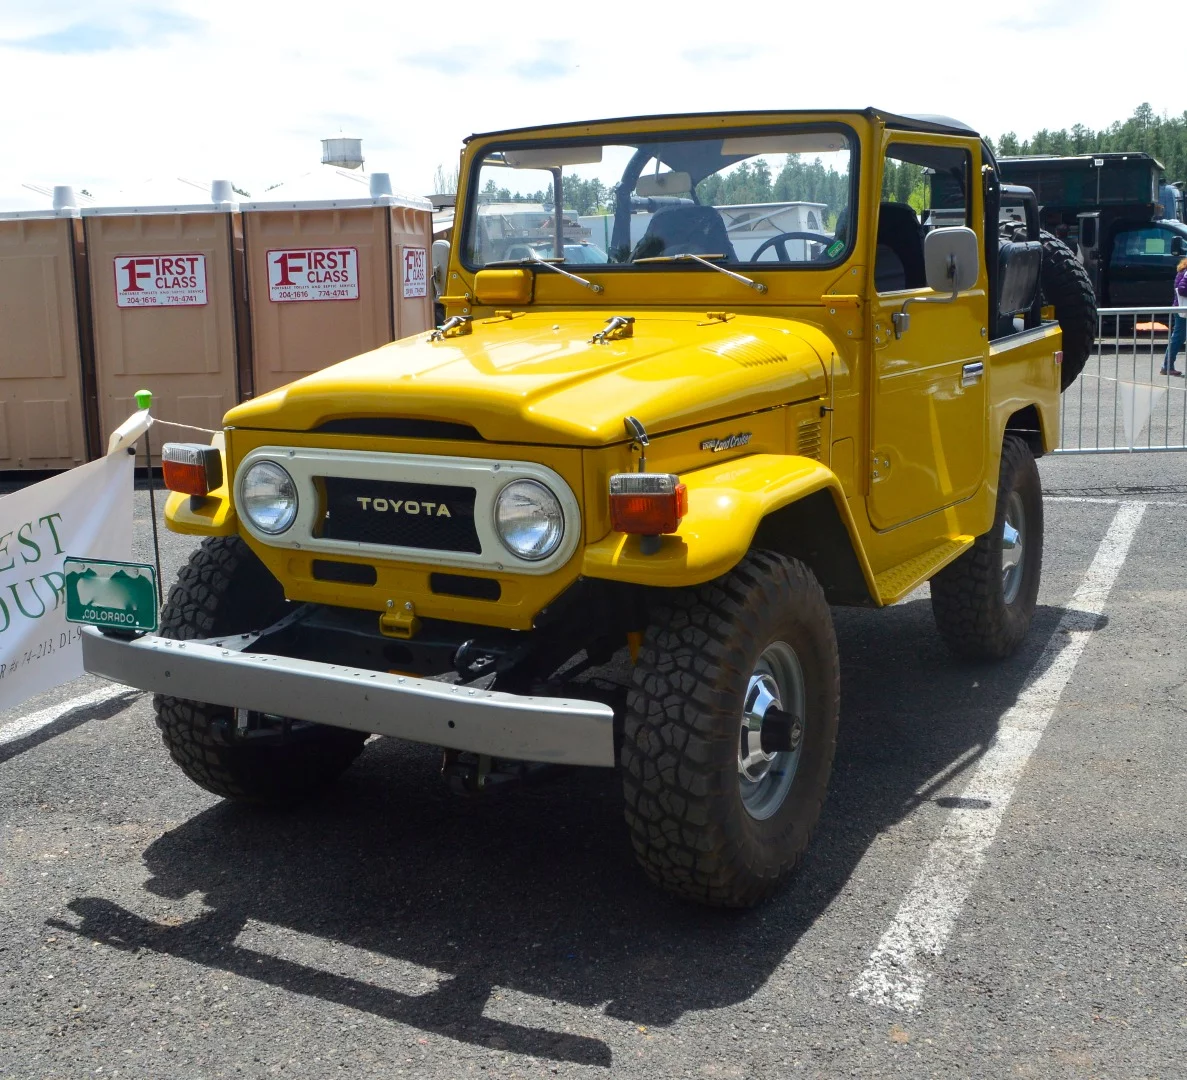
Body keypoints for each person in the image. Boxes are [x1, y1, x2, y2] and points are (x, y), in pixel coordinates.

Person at [1161, 256, 1187, 376]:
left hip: (1179, 308)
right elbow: (1182, 289)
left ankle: (1167, 366)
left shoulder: (1183, 270)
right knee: (1178, 337)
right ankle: (1167, 366)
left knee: (1178, 337)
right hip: (1182, 309)